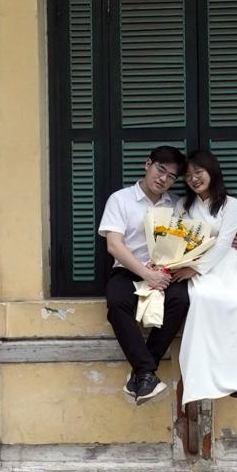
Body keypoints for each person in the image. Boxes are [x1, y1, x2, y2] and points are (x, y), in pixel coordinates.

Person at [169, 150, 237, 406]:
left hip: (228, 264)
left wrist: (196, 269)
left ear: (212, 172)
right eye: (188, 175)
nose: (194, 179)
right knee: (202, 299)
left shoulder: (230, 204)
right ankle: (203, 380)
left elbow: (225, 242)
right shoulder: (183, 205)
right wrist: (189, 265)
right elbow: (174, 236)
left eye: (199, 172)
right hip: (195, 265)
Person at [98, 145, 189, 404]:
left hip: (166, 272)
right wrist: (146, 274)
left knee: (181, 300)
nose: (163, 179)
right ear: (147, 164)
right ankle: (146, 371)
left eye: (171, 176)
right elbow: (114, 245)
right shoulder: (120, 199)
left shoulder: (176, 204)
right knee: (117, 302)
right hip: (129, 269)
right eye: (161, 170)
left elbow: (198, 235)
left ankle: (143, 372)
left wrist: (234, 242)